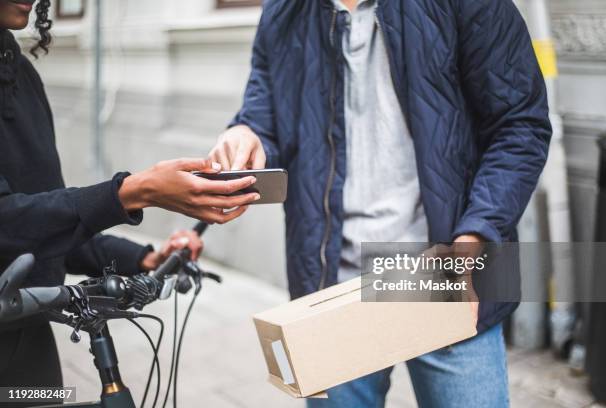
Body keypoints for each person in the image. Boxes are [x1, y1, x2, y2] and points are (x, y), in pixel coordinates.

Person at [209, 0, 552, 406]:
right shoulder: (282, 11)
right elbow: (264, 118)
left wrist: (477, 233)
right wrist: (246, 134)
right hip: (336, 289)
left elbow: (520, 124)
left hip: (444, 277)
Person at [0, 0, 258, 399]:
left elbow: (45, 227)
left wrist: (145, 258)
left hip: (27, 334)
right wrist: (136, 191)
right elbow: (8, 224)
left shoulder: (23, 76)